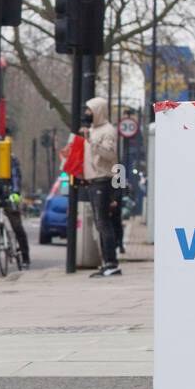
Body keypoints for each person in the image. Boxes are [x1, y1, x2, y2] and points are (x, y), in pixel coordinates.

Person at [81, 97, 121, 277]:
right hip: (93, 179)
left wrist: (93, 142)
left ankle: (112, 262)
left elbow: (110, 154)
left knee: (104, 223)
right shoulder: (92, 130)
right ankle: (107, 262)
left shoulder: (107, 131)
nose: (86, 114)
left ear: (98, 111)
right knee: (100, 223)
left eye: (89, 110)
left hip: (103, 180)